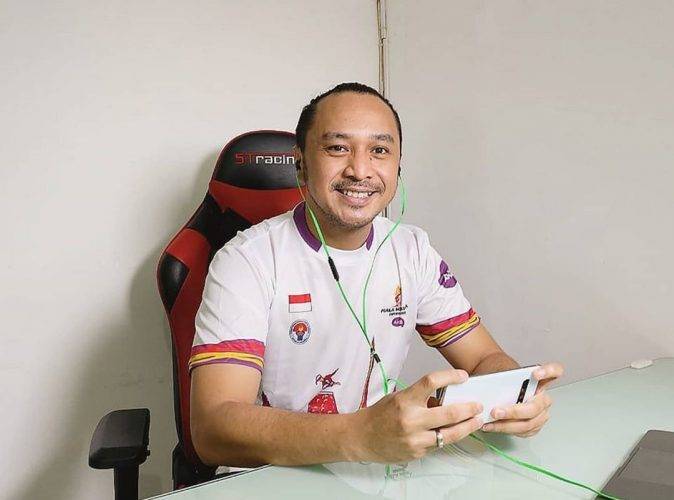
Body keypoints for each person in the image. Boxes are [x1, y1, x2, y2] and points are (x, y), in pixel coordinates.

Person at [189, 82, 563, 467]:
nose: (360, 170)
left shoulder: (412, 250)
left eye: (379, 151)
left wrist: (514, 395)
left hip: (374, 470)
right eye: (338, 148)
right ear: (301, 164)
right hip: (271, 477)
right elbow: (213, 430)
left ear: (397, 167)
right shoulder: (246, 260)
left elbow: (484, 357)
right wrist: (359, 435)